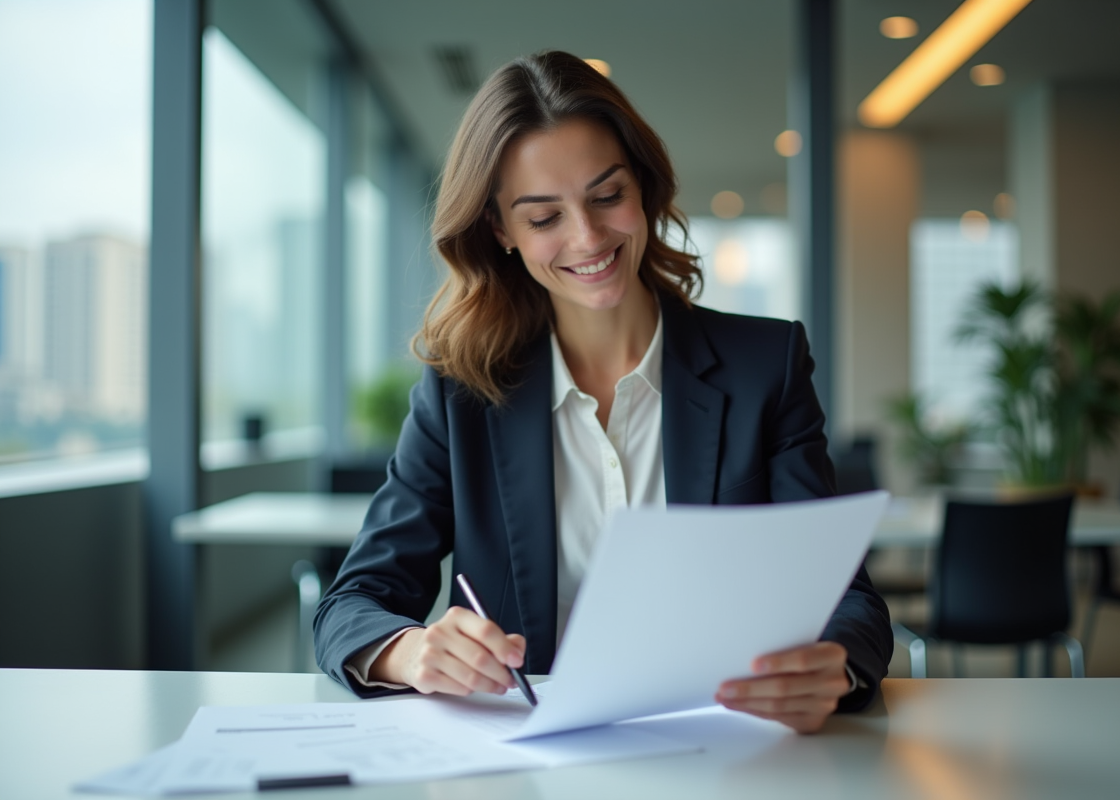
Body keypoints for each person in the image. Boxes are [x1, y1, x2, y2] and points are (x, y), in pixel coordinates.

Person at [314, 50, 892, 734]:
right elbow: (355, 601)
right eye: (543, 216)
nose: (587, 237)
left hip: (727, 746)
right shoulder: (460, 392)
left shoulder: (766, 364)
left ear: (643, 188)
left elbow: (848, 601)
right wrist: (410, 652)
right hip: (533, 761)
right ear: (500, 230)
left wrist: (831, 663)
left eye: (607, 195)